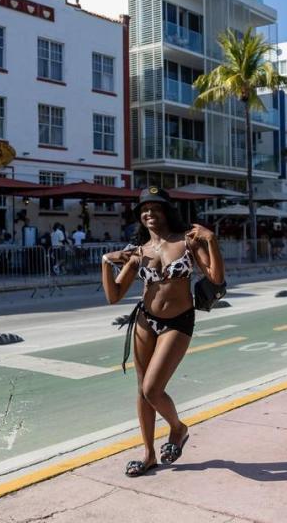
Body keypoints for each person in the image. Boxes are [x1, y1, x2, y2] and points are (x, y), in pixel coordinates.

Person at [101, 187, 224, 477]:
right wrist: (106, 262)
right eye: (145, 209)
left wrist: (211, 240)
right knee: (142, 391)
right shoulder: (139, 252)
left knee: (152, 388)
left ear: (167, 211)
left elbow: (216, 278)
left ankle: (178, 428)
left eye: (156, 208)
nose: (149, 214)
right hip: (145, 320)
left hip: (178, 321)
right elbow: (114, 295)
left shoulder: (187, 242)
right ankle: (148, 454)